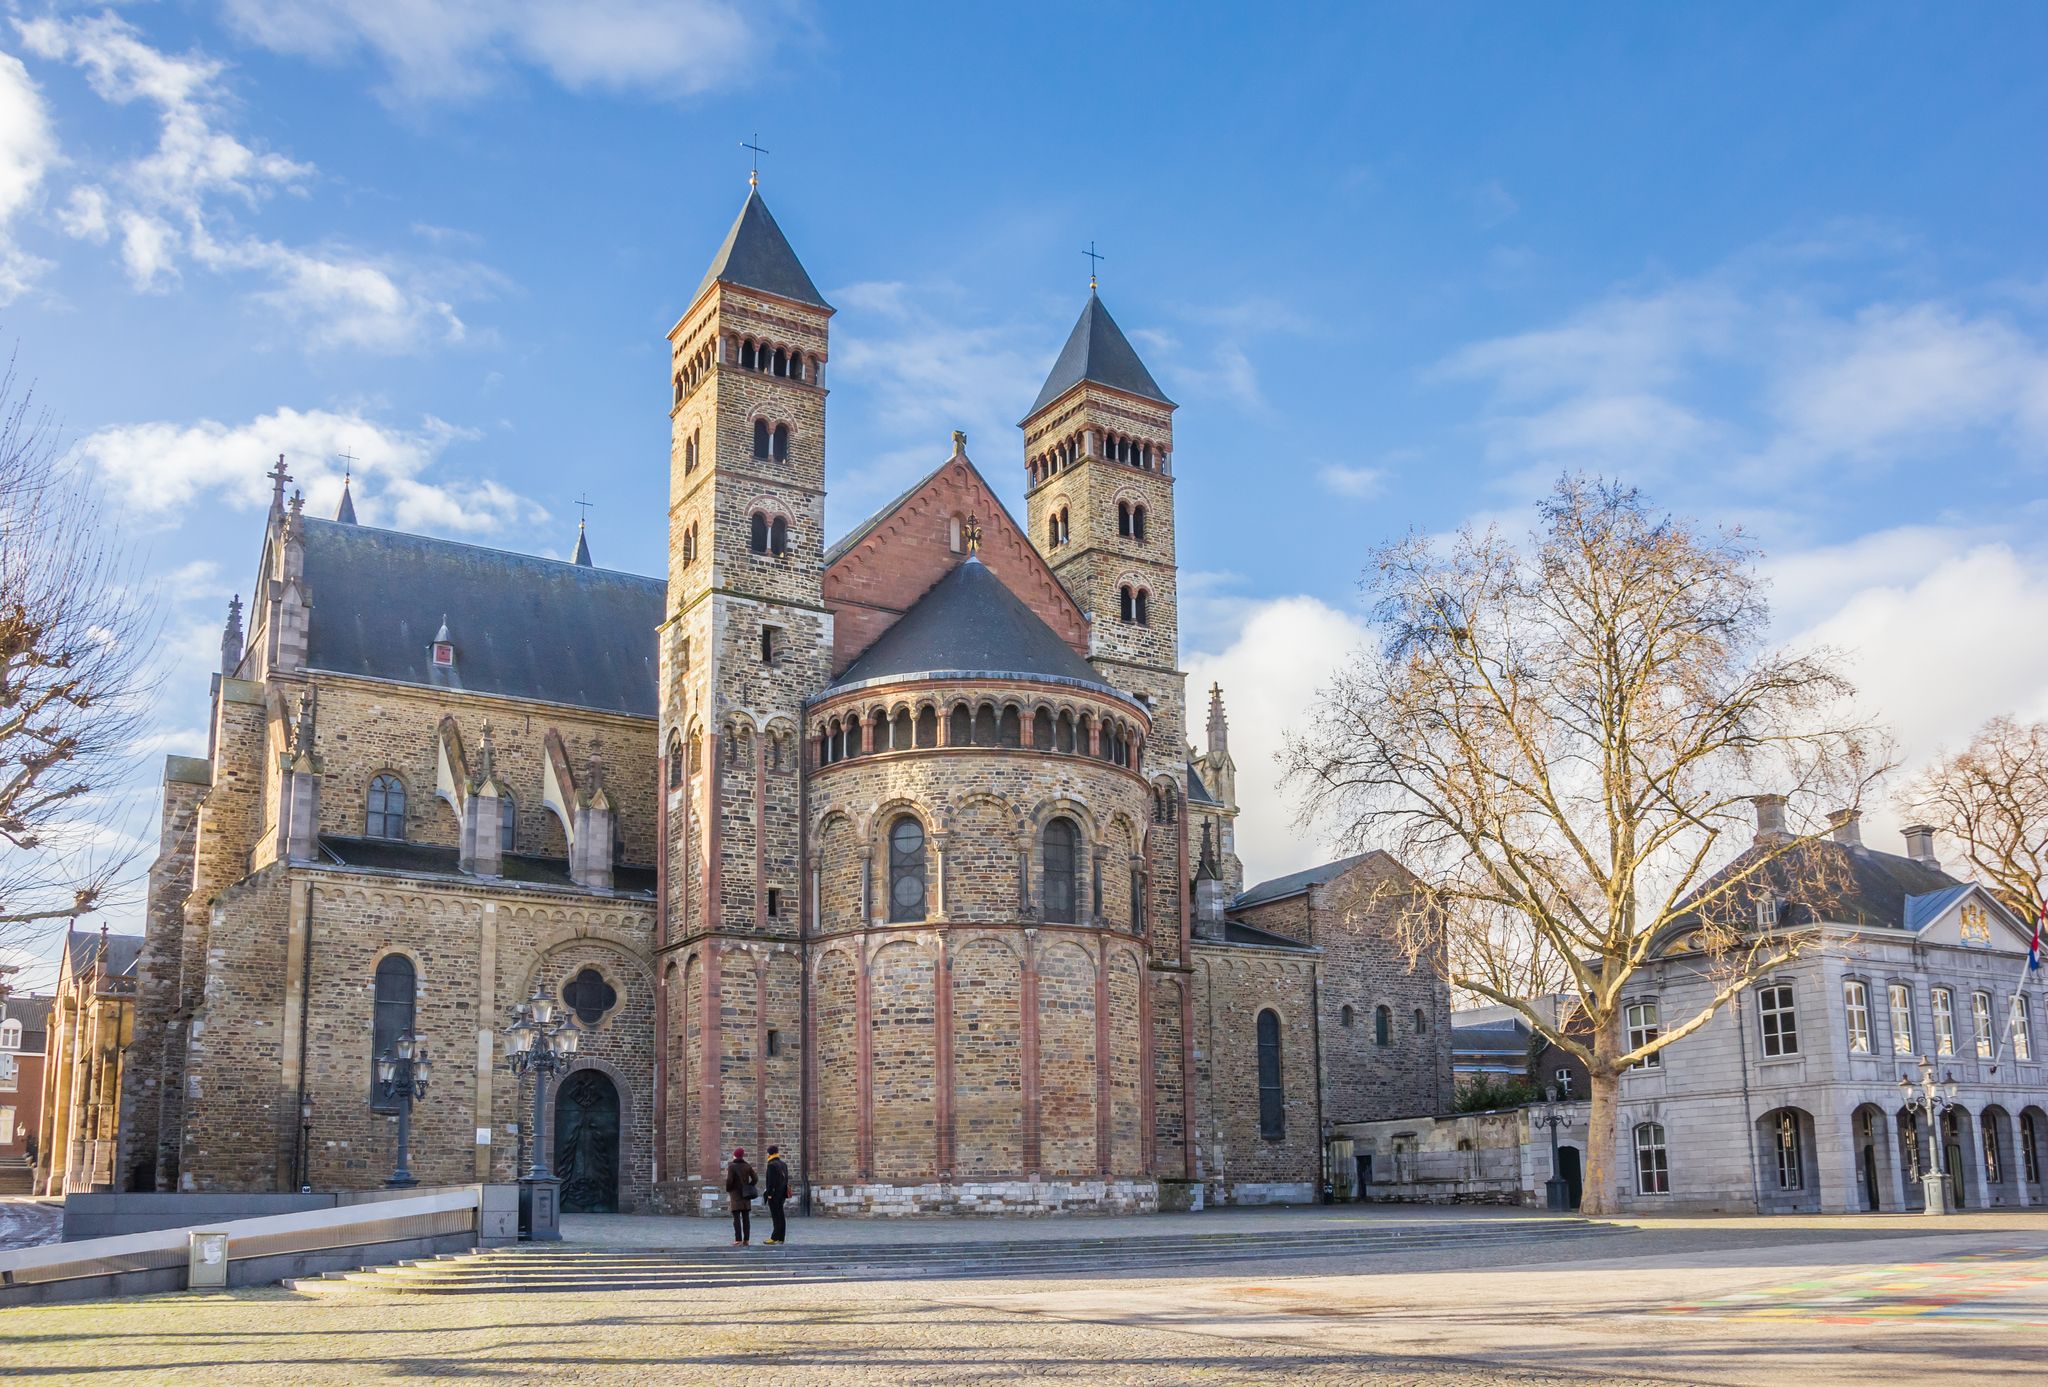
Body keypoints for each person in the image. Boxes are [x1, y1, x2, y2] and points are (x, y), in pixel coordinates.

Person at [724, 1147, 756, 1246]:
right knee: (746, 1218)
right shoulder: (747, 1166)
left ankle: (738, 1239)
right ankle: (746, 1240)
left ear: (735, 1155)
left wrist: (729, 1188)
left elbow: (729, 1180)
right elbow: (755, 1178)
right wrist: (749, 1186)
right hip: (746, 1195)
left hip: (736, 1194)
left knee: (736, 1218)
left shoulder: (732, 1166)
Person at [762, 1145, 789, 1245]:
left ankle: (774, 1237)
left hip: (774, 1195)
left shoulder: (771, 1165)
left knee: (776, 1216)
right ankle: (781, 1237)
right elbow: (786, 1180)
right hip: (782, 1193)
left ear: (769, 1153)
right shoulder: (783, 1164)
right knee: (781, 1215)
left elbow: (770, 1182)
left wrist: (769, 1194)